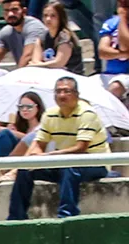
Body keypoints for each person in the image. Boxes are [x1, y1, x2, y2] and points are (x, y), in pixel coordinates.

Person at [8, 75, 111, 218]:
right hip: (62, 162)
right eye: (58, 91)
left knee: (70, 167)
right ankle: (16, 217)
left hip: (94, 164)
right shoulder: (50, 114)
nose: (62, 95)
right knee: (25, 170)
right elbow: (39, 143)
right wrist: (34, 158)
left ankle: (66, 216)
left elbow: (81, 147)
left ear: (76, 94)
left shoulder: (87, 114)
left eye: (67, 91)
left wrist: (46, 156)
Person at [0, 90, 46, 182]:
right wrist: (10, 130)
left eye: (29, 107)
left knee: (5, 133)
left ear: (38, 107)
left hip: (28, 154)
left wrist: (6, 131)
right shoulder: (18, 125)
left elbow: (32, 139)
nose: (24, 109)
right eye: (21, 107)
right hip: (13, 152)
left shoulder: (43, 124)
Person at [0, 0, 51, 86]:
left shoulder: (34, 26)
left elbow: (27, 57)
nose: (10, 14)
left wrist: (15, 79)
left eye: (14, 10)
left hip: (40, 73)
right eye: (6, 11)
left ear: (24, 11)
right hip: (21, 73)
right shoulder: (6, 31)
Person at [31, 1, 86, 70]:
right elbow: (35, 60)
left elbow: (59, 63)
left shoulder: (65, 37)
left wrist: (39, 65)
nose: (48, 19)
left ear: (60, 17)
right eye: (45, 15)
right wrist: (38, 65)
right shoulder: (41, 37)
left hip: (70, 76)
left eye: (53, 16)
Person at [103, 0, 129, 77]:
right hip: (109, 75)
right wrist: (125, 54)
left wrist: (123, 18)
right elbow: (103, 52)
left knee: (116, 86)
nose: (122, 2)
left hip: (125, 76)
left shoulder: (121, 19)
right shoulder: (111, 22)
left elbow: (125, 46)